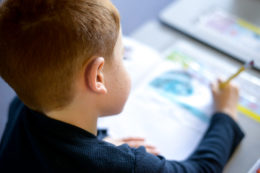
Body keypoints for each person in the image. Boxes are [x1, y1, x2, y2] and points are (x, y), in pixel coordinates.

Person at [0, 0, 244, 172]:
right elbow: (200, 170)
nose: (125, 61)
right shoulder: (126, 166)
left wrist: (102, 143)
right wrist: (226, 114)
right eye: (123, 55)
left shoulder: (21, 106)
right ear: (97, 78)